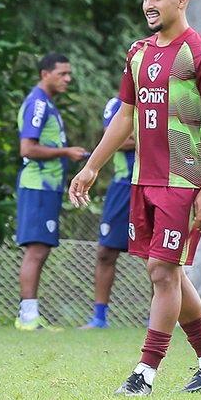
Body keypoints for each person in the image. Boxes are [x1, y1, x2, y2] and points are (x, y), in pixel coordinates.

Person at [69, 0, 201, 395]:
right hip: (144, 180)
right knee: (168, 273)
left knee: (162, 270)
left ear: (182, 1)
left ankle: (144, 374)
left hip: (184, 180)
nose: (148, 4)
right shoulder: (138, 53)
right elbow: (124, 115)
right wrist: (91, 167)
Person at [14, 54, 85, 331]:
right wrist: (67, 152)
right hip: (37, 186)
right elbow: (28, 149)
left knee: (41, 249)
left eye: (68, 74)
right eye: (62, 74)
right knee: (36, 249)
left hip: (48, 188)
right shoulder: (38, 103)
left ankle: (29, 315)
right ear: (45, 74)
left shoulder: (46, 103)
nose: (67, 79)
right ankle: (27, 317)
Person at [79, 96, 136, 329]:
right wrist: (148, 136)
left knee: (156, 257)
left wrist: (131, 136)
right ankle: (99, 318)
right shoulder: (117, 104)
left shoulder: (163, 98)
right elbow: (113, 139)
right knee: (105, 252)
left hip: (153, 185)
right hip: (122, 188)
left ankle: (157, 319)